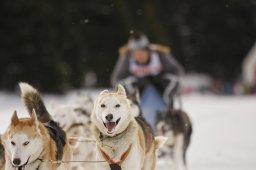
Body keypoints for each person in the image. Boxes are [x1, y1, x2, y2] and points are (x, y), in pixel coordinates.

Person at [111, 32, 184, 131]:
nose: (140, 55)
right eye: (136, 53)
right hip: (139, 98)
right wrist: (137, 83)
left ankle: (165, 123)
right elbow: (116, 80)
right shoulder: (126, 59)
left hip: (161, 95)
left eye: (142, 52)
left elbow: (177, 72)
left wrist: (162, 80)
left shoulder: (159, 56)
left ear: (148, 50)